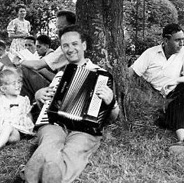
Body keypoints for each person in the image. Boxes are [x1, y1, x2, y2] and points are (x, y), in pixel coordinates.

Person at [23, 25, 120, 182]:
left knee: (75, 149)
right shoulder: (60, 74)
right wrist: (39, 95)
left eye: (74, 44)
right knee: (50, 141)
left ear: (84, 45)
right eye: (65, 45)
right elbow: (47, 108)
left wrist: (111, 102)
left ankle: (43, 174)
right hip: (55, 124)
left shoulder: (100, 75)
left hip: (85, 129)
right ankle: (42, 173)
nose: (70, 49)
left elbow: (112, 118)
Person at [129, 23, 184, 154]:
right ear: (166, 40)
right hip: (163, 97)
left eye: (182, 40)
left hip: (180, 88)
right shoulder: (150, 54)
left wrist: (175, 80)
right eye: (177, 40)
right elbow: (131, 73)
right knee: (176, 105)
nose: (181, 43)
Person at [0, 67, 35, 149]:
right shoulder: (1, 100)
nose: (18, 85)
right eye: (13, 83)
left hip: (16, 132)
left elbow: (28, 115)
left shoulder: (23, 100)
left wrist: (28, 120)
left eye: (19, 82)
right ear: (3, 88)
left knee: (8, 128)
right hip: (1, 127)